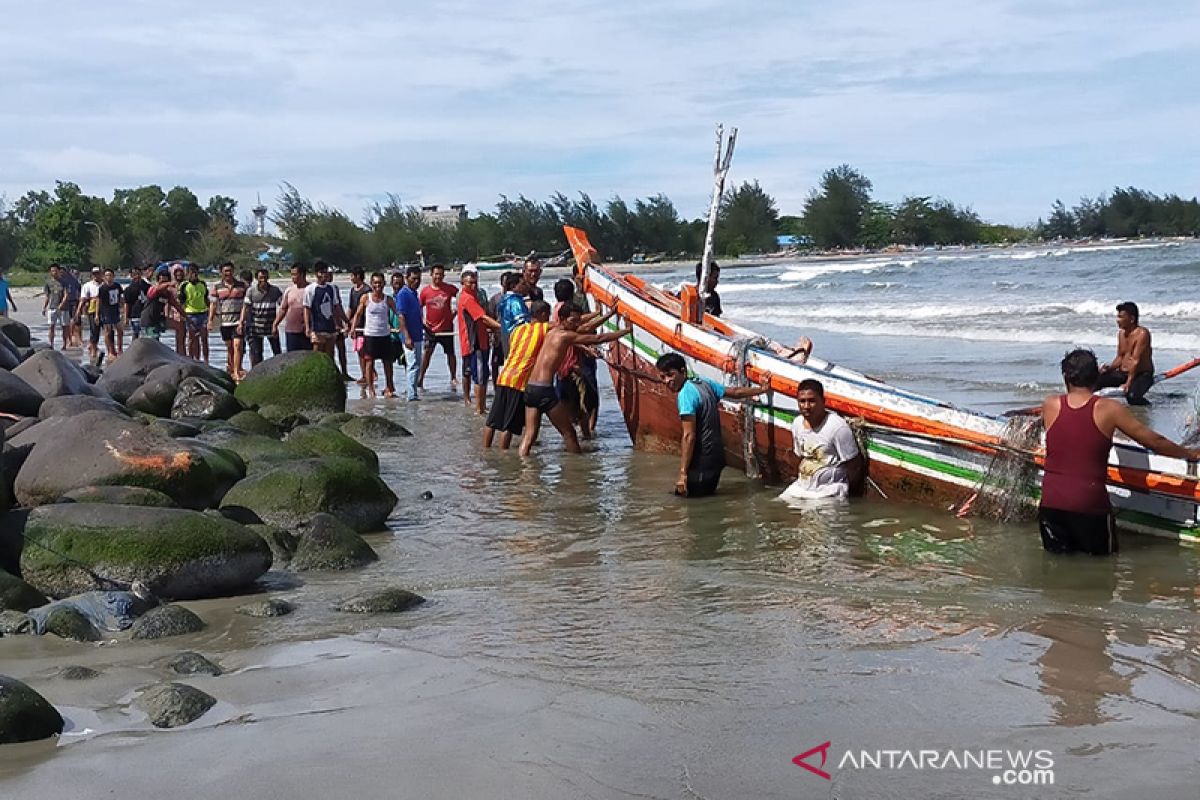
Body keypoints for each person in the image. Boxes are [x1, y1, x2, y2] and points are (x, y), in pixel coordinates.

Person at [1041, 349, 1200, 555]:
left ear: (1065, 377)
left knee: (1057, 569)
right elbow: (1154, 441)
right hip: (1089, 507)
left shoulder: (1050, 405)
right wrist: (1190, 454)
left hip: (1051, 506)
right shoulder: (1108, 409)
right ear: (1097, 376)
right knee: (1101, 573)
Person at [654, 352, 772, 497]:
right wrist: (761, 389)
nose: (667, 381)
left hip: (702, 459)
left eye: (670, 375)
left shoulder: (685, 395)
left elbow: (689, 436)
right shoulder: (702, 382)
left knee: (692, 503)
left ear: (682, 371)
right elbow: (735, 392)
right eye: (662, 377)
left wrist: (683, 473)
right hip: (717, 458)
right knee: (706, 496)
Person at [519, 304, 629, 456]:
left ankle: (524, 471)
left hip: (530, 388)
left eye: (578, 321)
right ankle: (577, 470)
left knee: (530, 435)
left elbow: (585, 326)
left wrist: (607, 314)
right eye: (573, 321)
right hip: (544, 390)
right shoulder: (565, 336)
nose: (577, 324)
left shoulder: (552, 331)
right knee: (569, 433)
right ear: (562, 319)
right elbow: (598, 338)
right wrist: (626, 331)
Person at [779, 379, 864, 500]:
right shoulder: (797, 423)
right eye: (802, 401)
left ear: (823, 402)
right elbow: (799, 455)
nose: (806, 406)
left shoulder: (837, 427)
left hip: (829, 491)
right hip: (801, 487)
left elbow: (854, 465)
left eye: (812, 401)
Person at [484, 301, 552, 450]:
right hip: (519, 380)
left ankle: (486, 449)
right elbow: (565, 326)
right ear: (543, 314)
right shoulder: (543, 328)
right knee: (509, 424)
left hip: (504, 376)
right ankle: (504, 454)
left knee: (492, 421)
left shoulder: (518, 329)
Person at [457, 266, 502, 415]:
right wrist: (502, 327)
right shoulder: (467, 298)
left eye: (475, 282)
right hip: (473, 343)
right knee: (479, 375)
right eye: (470, 283)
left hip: (481, 341)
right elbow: (482, 317)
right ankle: (479, 408)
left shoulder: (476, 296)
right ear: (463, 283)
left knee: (482, 374)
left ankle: (481, 406)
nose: (473, 286)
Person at [348, 272, 399, 398]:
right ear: (371, 284)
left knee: (387, 363)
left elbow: (398, 314)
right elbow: (358, 314)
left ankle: (389, 386)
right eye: (375, 283)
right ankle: (371, 389)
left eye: (380, 283)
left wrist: (402, 327)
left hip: (384, 335)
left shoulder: (388, 300)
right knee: (369, 362)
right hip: (370, 335)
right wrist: (353, 328)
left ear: (384, 284)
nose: (378, 285)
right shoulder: (366, 298)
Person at [1097, 301, 1154, 405]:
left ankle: (1148, 409)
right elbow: (1120, 357)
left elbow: (1135, 361)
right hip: (1123, 373)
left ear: (1131, 319)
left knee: (1132, 397)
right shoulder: (1121, 333)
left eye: (1121, 317)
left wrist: (1128, 383)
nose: (1117, 320)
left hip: (1141, 375)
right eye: (1117, 317)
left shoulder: (1142, 334)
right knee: (1096, 381)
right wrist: (1108, 369)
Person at [418, 263, 459, 392]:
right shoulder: (425, 291)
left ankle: (453, 377)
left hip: (446, 328)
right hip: (431, 329)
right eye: (436, 274)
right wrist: (423, 321)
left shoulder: (450, 289)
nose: (438, 277)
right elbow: (419, 308)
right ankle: (420, 378)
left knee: (450, 354)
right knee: (427, 354)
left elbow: (462, 298)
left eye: (441, 275)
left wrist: (455, 312)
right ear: (431, 275)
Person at [210, 262, 247, 380]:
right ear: (221, 272)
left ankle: (236, 371)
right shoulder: (217, 287)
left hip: (238, 321)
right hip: (224, 322)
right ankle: (231, 368)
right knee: (230, 347)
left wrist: (242, 320)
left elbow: (246, 305)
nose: (228, 273)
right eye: (225, 271)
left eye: (230, 270)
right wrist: (210, 320)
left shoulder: (242, 286)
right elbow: (213, 305)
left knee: (238, 345)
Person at [240, 268, 283, 367]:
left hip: (271, 326)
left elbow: (283, 306)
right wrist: (241, 323)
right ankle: (257, 374)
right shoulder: (251, 291)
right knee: (256, 354)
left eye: (265, 277)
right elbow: (245, 308)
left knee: (277, 353)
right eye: (260, 278)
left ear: (268, 277)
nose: (263, 280)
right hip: (255, 327)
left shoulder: (275, 291)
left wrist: (277, 323)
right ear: (256, 278)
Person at [303, 260, 346, 357]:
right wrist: (307, 327)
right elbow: (306, 308)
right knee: (317, 356)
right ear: (316, 274)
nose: (324, 275)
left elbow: (337, 307)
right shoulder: (310, 289)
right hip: (318, 329)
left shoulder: (332, 288)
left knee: (330, 356)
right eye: (321, 272)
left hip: (331, 328)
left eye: (325, 272)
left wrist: (346, 320)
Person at [393, 267, 423, 401]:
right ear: (407, 278)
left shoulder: (414, 293)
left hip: (418, 335)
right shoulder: (403, 294)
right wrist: (406, 336)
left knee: (417, 364)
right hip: (409, 336)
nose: (416, 281)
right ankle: (412, 395)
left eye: (418, 279)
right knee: (412, 365)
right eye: (413, 279)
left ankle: (413, 391)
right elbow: (401, 316)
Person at [273, 263, 311, 352]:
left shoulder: (311, 289)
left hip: (307, 330)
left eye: (295, 275)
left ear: (302, 275)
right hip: (291, 330)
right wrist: (275, 324)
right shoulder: (289, 290)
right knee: (292, 357)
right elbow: (283, 309)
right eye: (291, 275)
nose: (292, 277)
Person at [140, 267, 184, 341]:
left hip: (159, 319)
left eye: (165, 281)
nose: (164, 285)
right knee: (153, 341)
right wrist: (168, 284)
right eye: (162, 282)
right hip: (148, 320)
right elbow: (157, 289)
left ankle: (179, 351)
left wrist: (188, 319)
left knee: (180, 326)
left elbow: (177, 306)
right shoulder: (153, 289)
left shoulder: (167, 294)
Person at [180, 265, 210, 363]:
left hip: (203, 313)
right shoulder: (184, 285)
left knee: (204, 338)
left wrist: (211, 313)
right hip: (190, 314)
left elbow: (206, 299)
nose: (193, 275)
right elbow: (181, 302)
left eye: (195, 272)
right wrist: (182, 315)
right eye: (191, 273)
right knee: (192, 339)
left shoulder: (203, 284)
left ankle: (206, 361)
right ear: (187, 273)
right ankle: (192, 360)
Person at [74, 266, 103, 365]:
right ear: (92, 275)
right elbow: (83, 299)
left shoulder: (104, 284)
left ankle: (97, 346)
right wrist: (78, 311)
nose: (96, 275)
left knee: (107, 330)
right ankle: (93, 348)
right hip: (92, 309)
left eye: (98, 273)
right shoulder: (87, 285)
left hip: (105, 309)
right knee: (94, 330)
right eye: (94, 274)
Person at [346, 267, 370, 384]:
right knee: (359, 350)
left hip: (365, 324)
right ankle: (364, 374)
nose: (351, 278)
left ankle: (368, 374)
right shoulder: (353, 290)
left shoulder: (366, 290)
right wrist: (347, 322)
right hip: (356, 324)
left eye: (352, 275)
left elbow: (365, 309)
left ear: (358, 276)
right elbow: (350, 308)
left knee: (364, 350)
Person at [96, 268, 124, 360]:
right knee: (107, 332)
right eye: (107, 275)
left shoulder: (117, 286)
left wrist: (122, 309)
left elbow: (121, 298)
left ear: (113, 276)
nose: (109, 277)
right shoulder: (102, 288)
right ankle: (110, 352)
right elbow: (98, 301)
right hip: (106, 311)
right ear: (104, 277)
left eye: (110, 275)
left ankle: (120, 349)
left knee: (120, 330)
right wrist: (97, 314)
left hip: (115, 311)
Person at [122, 264, 151, 344]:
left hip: (146, 314)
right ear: (131, 275)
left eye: (139, 274)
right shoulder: (129, 289)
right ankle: (134, 351)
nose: (137, 276)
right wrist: (126, 318)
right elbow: (126, 303)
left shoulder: (147, 286)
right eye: (134, 274)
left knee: (147, 336)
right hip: (134, 315)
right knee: (135, 334)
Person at [42, 263, 68, 349]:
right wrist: (44, 307)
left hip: (63, 308)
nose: (54, 272)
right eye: (52, 271)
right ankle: (51, 344)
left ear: (59, 271)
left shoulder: (64, 282)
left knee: (64, 326)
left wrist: (61, 305)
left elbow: (66, 295)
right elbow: (47, 296)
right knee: (51, 326)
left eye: (55, 271)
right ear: (50, 272)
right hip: (52, 307)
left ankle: (64, 344)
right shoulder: (48, 283)